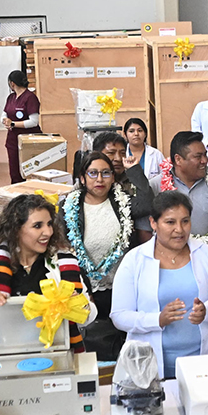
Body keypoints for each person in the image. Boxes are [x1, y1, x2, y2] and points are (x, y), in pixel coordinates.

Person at [111, 191, 208, 379]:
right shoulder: (134, 260)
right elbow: (119, 316)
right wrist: (158, 320)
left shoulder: (207, 254)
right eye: (170, 222)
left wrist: (207, 311)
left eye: (185, 221)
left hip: (204, 363)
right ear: (153, 223)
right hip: (151, 368)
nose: (179, 229)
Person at [0, 193, 97, 351]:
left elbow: (89, 317)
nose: (48, 232)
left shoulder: (64, 264)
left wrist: (77, 305)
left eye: (49, 224)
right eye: (38, 226)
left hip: (53, 354)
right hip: (3, 352)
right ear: (16, 229)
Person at [57, 151, 144, 359]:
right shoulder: (68, 207)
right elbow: (64, 252)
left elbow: (148, 203)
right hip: (87, 291)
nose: (99, 179)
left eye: (106, 173)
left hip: (122, 288)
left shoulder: (123, 202)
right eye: (93, 173)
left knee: (125, 346)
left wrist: (133, 170)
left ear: (113, 177)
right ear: (82, 177)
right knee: (94, 346)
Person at [150, 131, 208, 245]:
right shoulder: (156, 185)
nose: (205, 160)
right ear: (178, 159)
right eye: (198, 157)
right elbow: (147, 231)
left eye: (205, 154)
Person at [94, 131, 155, 238]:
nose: (118, 158)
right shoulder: (89, 181)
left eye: (122, 153)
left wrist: (135, 170)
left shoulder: (130, 179)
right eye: (111, 153)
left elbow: (146, 204)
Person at [2, 69, 41, 184]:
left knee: (30, 170)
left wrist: (13, 123)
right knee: (15, 171)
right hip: (13, 140)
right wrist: (5, 121)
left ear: (12, 83)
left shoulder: (30, 98)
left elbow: (34, 121)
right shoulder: (11, 98)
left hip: (29, 140)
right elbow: (4, 113)